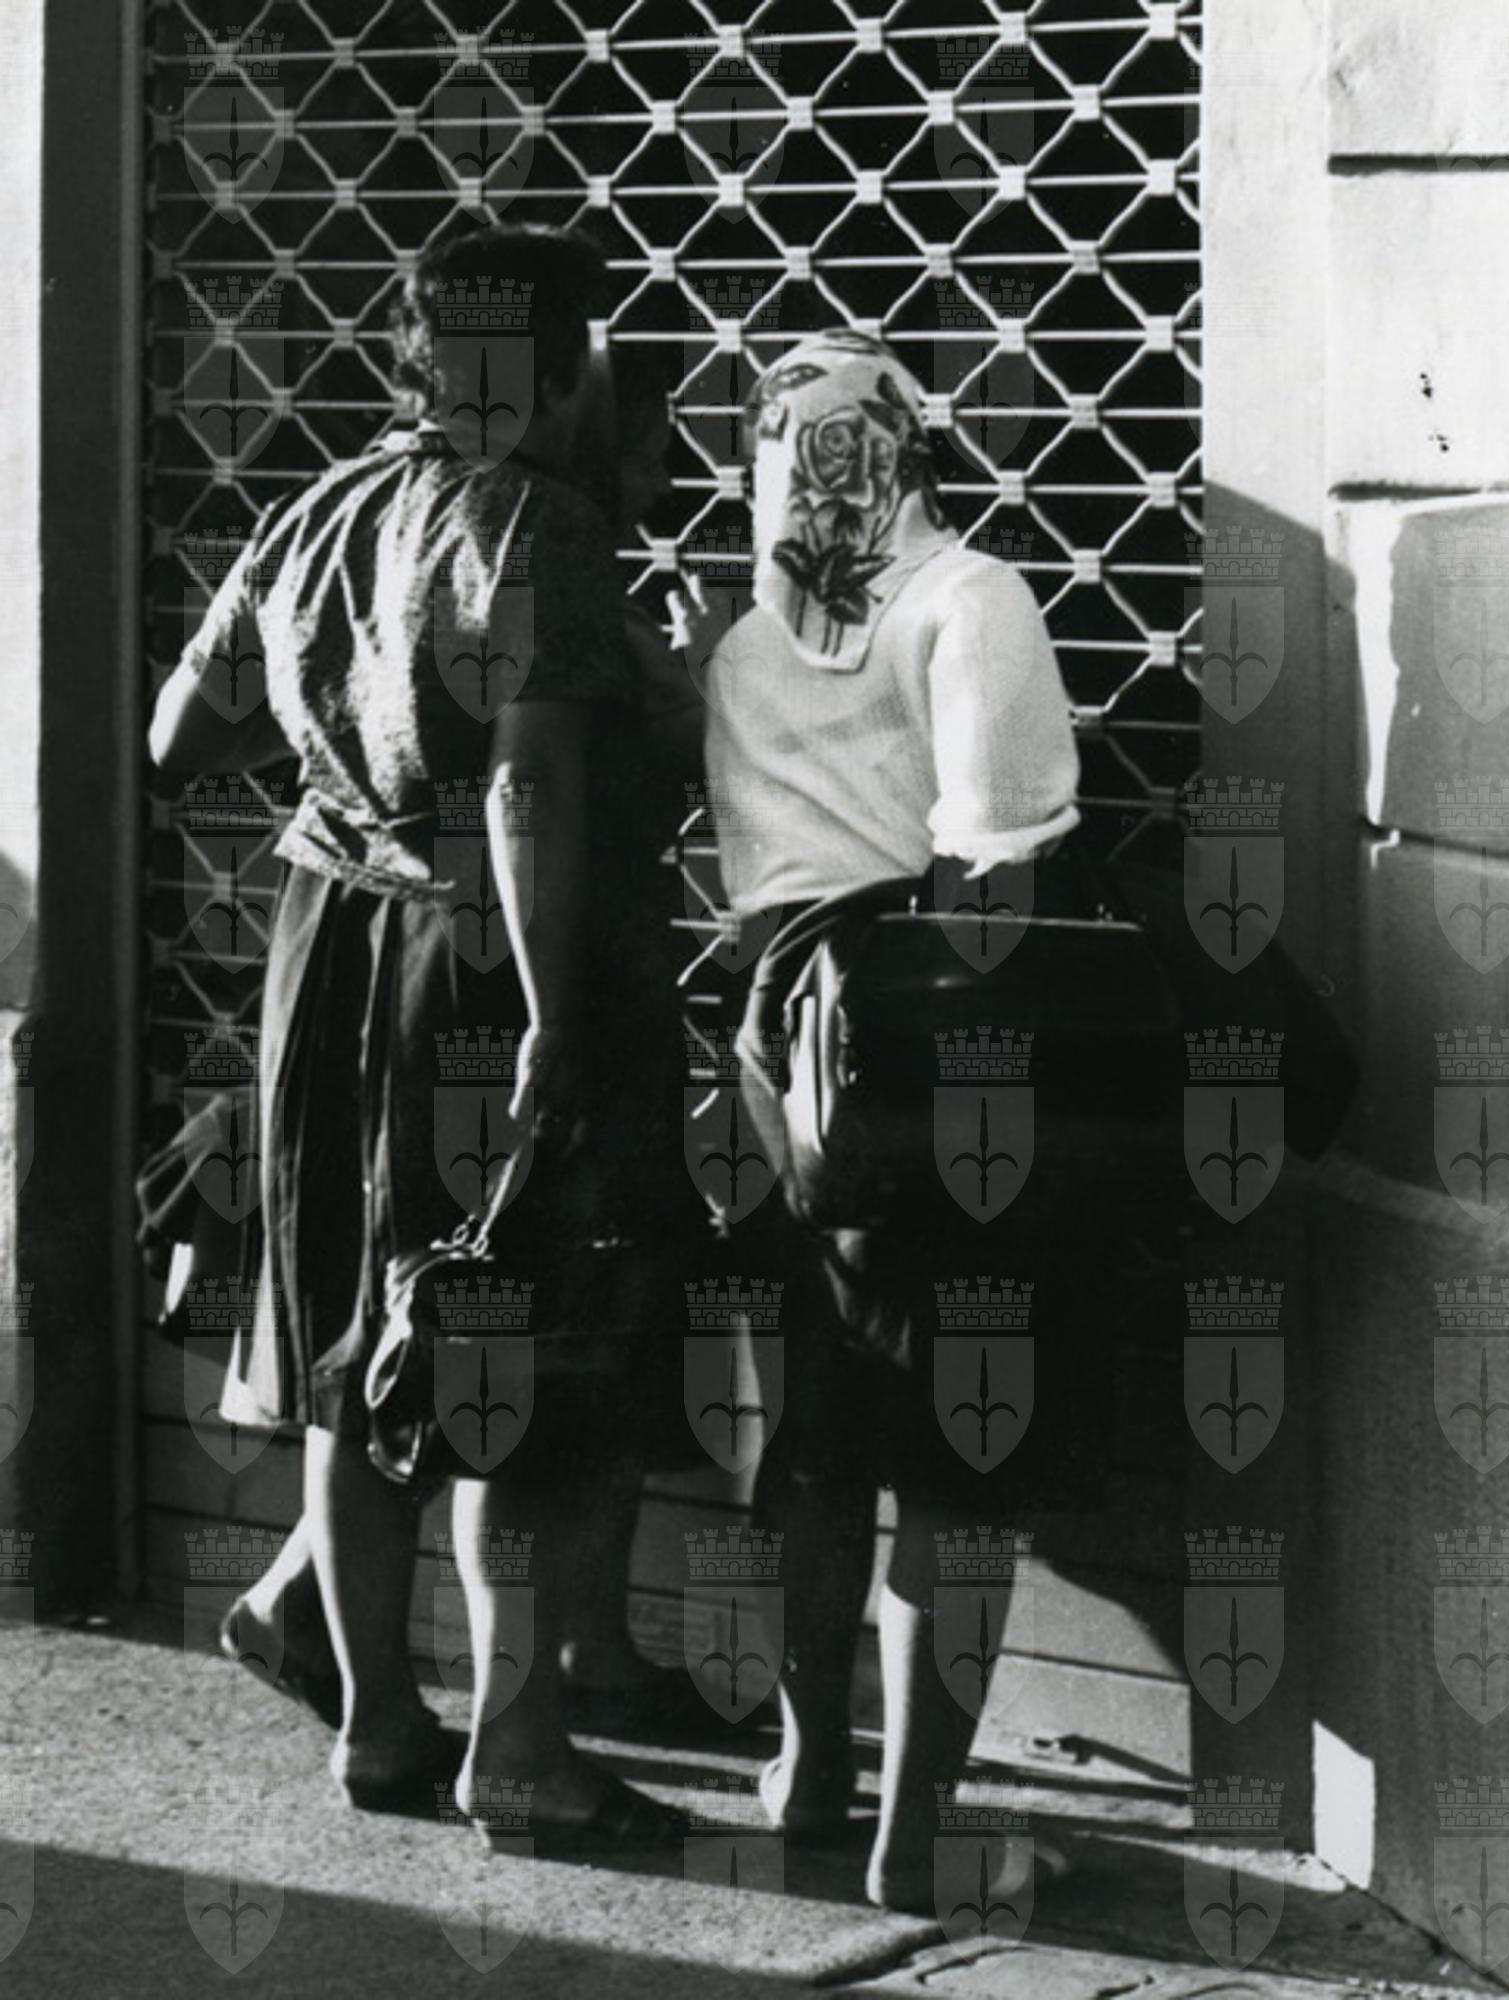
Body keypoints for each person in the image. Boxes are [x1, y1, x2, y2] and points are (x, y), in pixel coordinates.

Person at [149, 224, 688, 1850]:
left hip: (326, 944)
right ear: (559, 369)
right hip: (480, 952)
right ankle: (520, 1747)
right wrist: (551, 1012)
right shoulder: (537, 520)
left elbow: (181, 738)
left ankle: (378, 1726)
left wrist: (344, 740)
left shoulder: (316, 511)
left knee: (353, 1345)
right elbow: (529, 782)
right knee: (515, 1336)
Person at [696, 330, 1095, 1910]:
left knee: (813, 1437)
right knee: (953, 1455)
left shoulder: (742, 640)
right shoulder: (971, 599)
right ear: (914, 447)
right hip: (928, 1049)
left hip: (772, 1049)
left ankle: (810, 1773)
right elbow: (995, 863)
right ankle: (916, 1840)